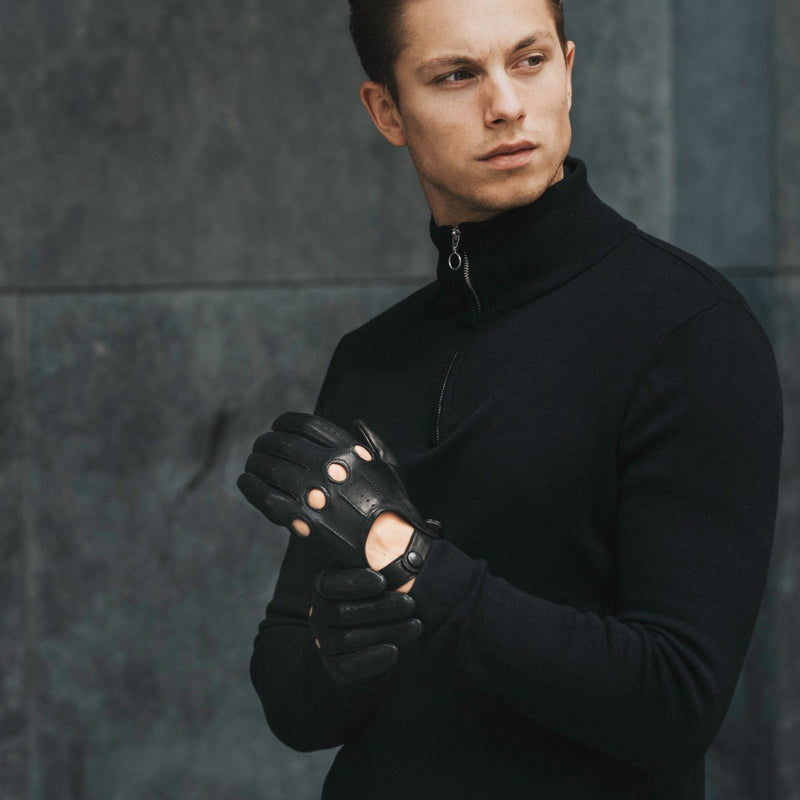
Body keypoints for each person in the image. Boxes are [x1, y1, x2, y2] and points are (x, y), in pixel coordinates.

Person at [237, 0, 783, 797]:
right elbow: (292, 704)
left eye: (529, 60)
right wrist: (338, 652)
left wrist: (409, 560)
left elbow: (674, 704)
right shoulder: (371, 359)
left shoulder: (689, 332)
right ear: (387, 111)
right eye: (456, 75)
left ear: (569, 69)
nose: (505, 105)